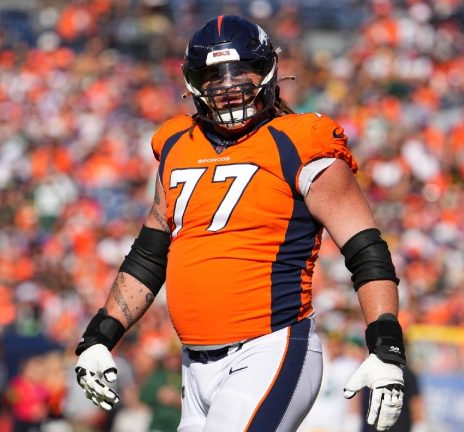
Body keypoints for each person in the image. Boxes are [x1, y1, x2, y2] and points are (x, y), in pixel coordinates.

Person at [74, 15, 406, 432]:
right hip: (193, 366)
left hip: (271, 348)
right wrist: (100, 335)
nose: (228, 86)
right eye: (213, 76)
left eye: (240, 71)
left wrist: (386, 344)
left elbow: (366, 250)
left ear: (267, 72)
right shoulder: (177, 144)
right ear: (194, 83)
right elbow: (149, 255)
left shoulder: (300, 140)